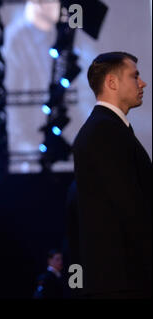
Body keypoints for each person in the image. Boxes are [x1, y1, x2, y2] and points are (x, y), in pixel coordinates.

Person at [71, 52, 152, 298]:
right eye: (134, 76)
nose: (142, 83)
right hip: (122, 281)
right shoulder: (104, 131)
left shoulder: (110, 128)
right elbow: (130, 206)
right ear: (112, 83)